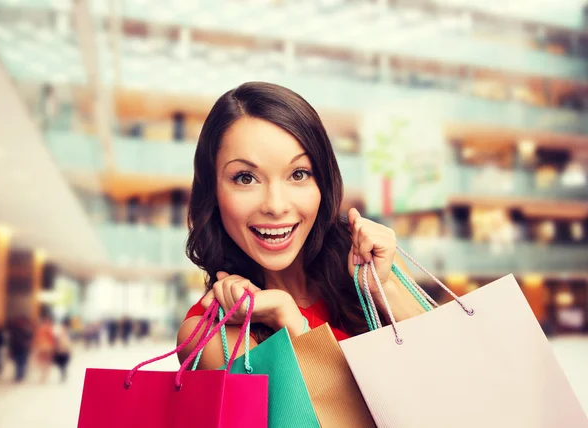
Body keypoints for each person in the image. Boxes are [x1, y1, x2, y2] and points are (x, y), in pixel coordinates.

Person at [177, 82, 425, 369]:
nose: (276, 205)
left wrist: (385, 290)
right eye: (246, 178)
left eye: (298, 174)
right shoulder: (212, 335)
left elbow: (452, 368)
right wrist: (289, 319)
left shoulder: (373, 263)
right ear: (213, 192)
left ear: (323, 180)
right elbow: (344, 413)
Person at [8, 316, 34, 382]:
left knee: (22, 362)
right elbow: (12, 341)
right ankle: (19, 375)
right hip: (17, 348)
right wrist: (10, 349)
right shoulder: (14, 330)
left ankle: (20, 375)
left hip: (24, 349)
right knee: (18, 362)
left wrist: (28, 344)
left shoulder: (27, 330)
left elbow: (30, 338)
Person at [34, 316, 55, 383]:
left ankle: (43, 376)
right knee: (46, 362)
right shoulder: (50, 329)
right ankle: (44, 376)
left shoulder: (41, 329)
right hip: (47, 347)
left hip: (43, 347)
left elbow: (37, 338)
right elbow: (52, 338)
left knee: (43, 362)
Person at [52, 318, 72, 382]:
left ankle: (63, 373)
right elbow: (56, 340)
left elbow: (69, 342)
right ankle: (63, 372)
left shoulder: (68, 333)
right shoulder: (58, 332)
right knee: (60, 363)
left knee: (64, 363)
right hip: (60, 350)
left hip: (65, 350)